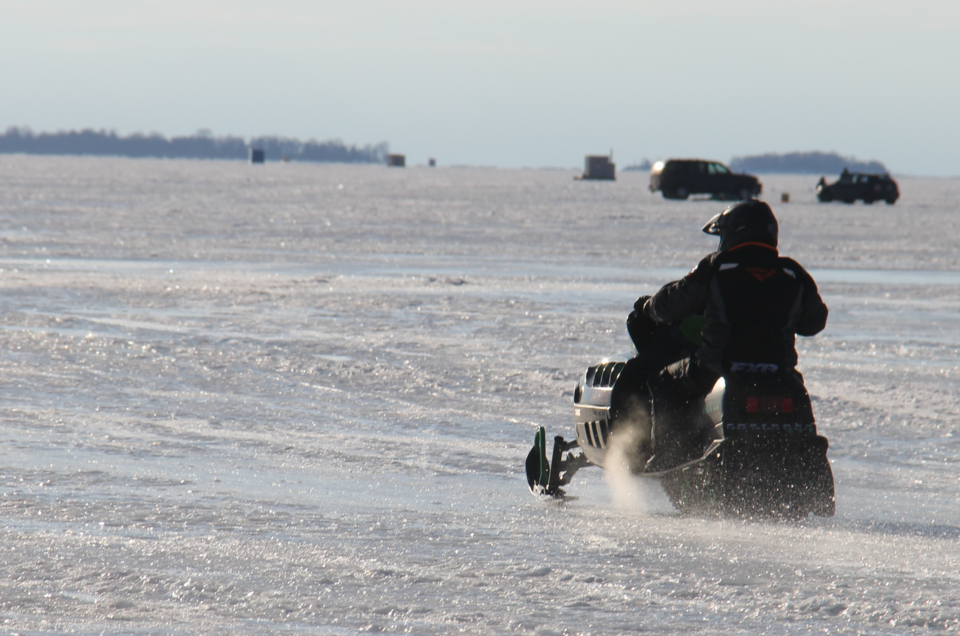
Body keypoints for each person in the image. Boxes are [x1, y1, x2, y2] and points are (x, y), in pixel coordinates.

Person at [614, 199, 829, 471]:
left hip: (717, 366)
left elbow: (674, 303)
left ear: (734, 232)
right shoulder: (792, 273)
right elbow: (815, 321)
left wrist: (649, 307)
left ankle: (670, 459)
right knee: (795, 395)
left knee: (664, 381)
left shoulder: (719, 267)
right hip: (778, 372)